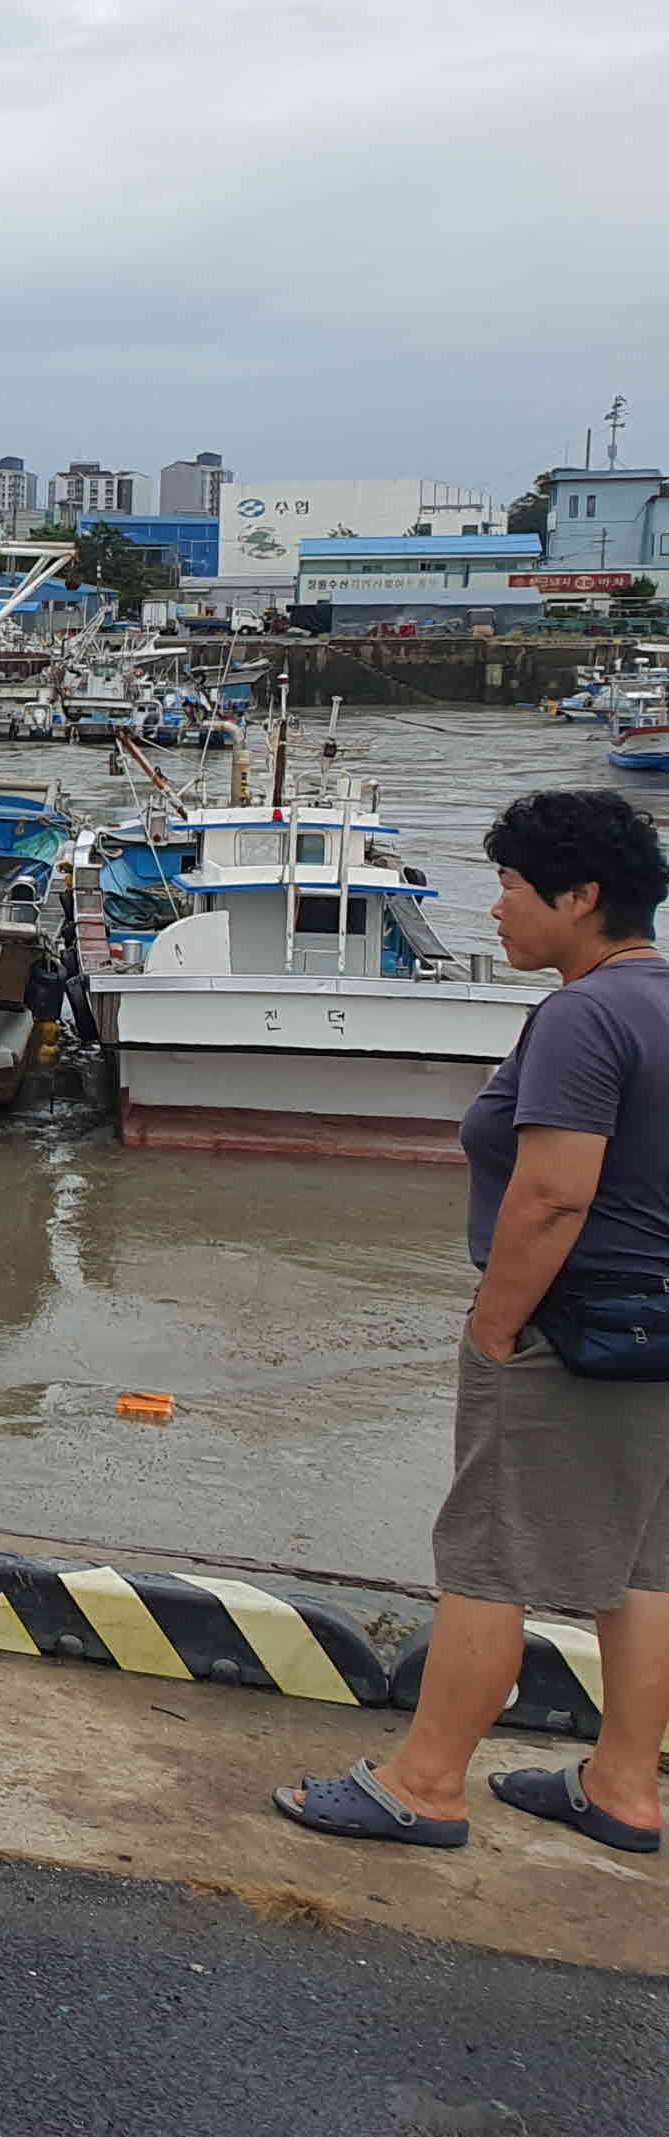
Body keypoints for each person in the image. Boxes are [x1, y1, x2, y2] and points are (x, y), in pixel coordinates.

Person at [278, 789, 669, 1856]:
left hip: (570, 1334)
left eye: (507, 887)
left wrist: (495, 1331)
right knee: (641, 1569)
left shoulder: (581, 1017)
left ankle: (426, 1783)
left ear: (578, 898)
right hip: (658, 1334)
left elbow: (552, 1195)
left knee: (488, 1563)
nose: (493, 908)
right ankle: (624, 1786)